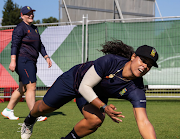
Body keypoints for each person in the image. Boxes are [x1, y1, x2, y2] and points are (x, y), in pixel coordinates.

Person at [20, 40, 158, 139]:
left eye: (149, 65)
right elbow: (84, 87)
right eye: (143, 60)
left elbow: (143, 122)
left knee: (96, 120)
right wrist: (104, 107)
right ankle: (30, 119)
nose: (145, 66)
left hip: (95, 94)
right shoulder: (110, 61)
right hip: (74, 81)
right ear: (133, 57)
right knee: (44, 108)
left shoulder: (137, 88)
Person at [1, 6, 52, 122]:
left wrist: (46, 57)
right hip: (23, 60)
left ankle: (8, 110)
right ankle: (34, 114)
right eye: (28, 14)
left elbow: (40, 45)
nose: (31, 15)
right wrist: (13, 61)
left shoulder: (34, 28)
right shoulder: (20, 28)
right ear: (22, 15)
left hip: (32, 61)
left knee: (23, 87)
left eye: (32, 13)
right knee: (32, 86)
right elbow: (14, 45)